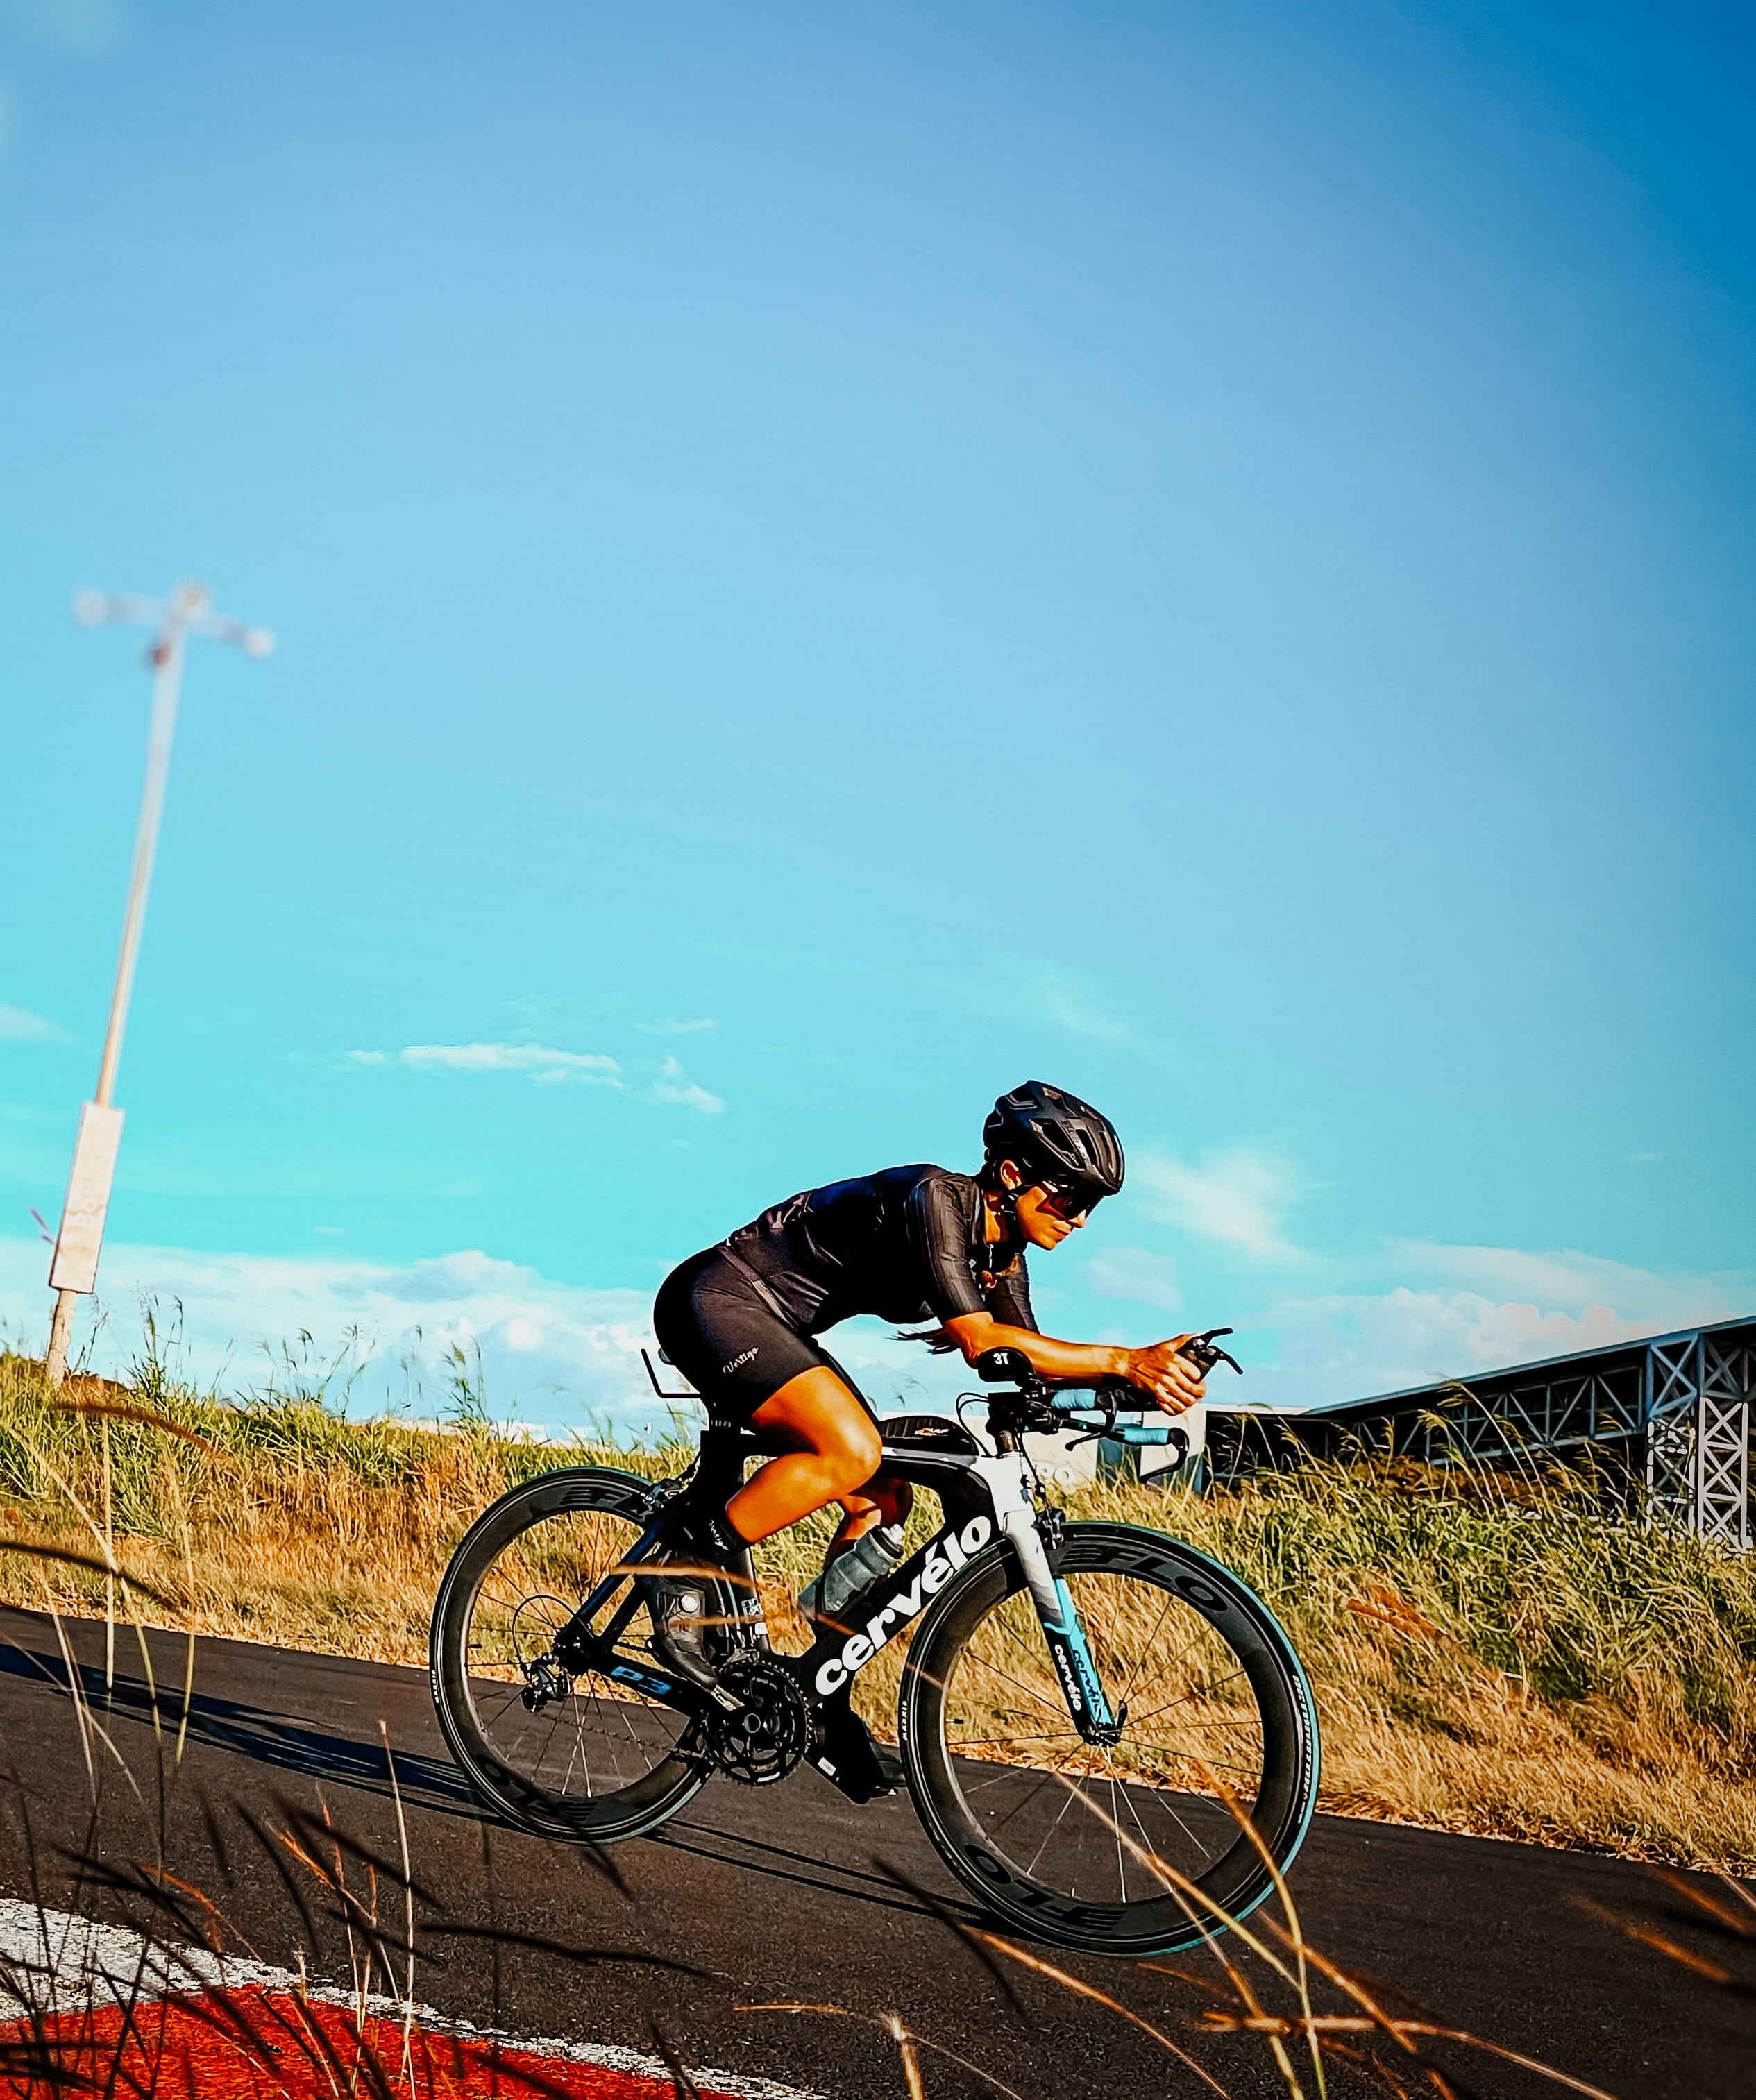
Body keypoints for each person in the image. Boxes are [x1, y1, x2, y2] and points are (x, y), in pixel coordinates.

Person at [645, 1081, 1209, 1691]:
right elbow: (982, 1341)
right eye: (1070, 1197)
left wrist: (1137, 1388)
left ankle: (816, 1686)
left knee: (882, 1498)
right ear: (1014, 1173)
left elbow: (1026, 1362)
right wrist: (1125, 1360)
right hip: (716, 1301)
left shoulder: (1001, 1258)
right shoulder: (936, 1197)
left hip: (781, 1330)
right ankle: (681, 1563)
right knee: (850, 1450)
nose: (1078, 1220)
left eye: (1091, 1207)